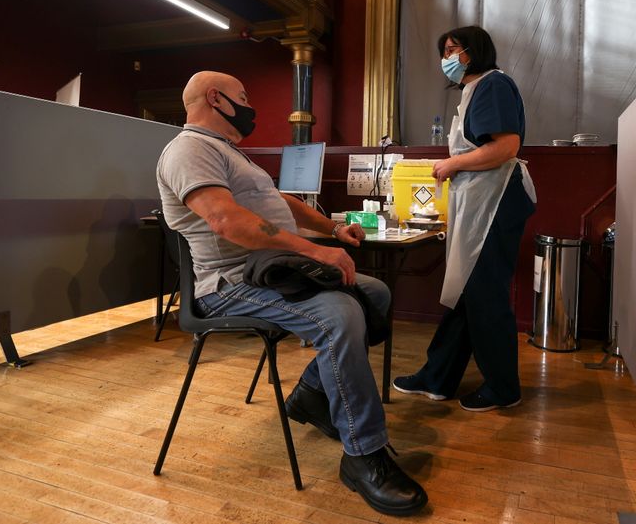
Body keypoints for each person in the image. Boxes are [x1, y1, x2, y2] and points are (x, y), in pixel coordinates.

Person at [157, 71, 427, 516]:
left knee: (373, 294)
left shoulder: (229, 153)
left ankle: (309, 394)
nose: (249, 106)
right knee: (340, 315)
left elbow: (280, 202)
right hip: (229, 283)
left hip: (270, 271)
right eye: (242, 97)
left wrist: (334, 229)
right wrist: (316, 253)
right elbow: (227, 222)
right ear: (215, 99)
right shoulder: (189, 149)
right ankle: (362, 456)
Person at [393, 26, 537, 412]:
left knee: (483, 292)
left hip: (495, 201)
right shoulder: (474, 92)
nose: (447, 58)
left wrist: (452, 163)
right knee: (464, 293)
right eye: (444, 51)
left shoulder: (494, 85)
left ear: (473, 52)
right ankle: (437, 377)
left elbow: (506, 146)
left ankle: (503, 388)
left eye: (453, 49)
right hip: (479, 202)